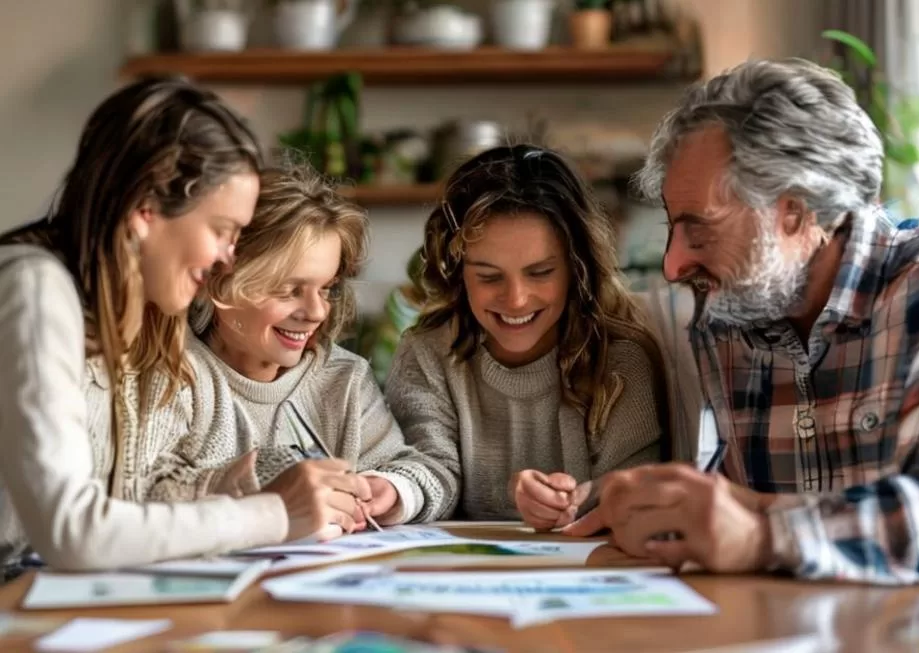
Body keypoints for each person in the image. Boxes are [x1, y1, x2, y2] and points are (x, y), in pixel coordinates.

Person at [567, 58, 919, 584]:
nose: (673, 265)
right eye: (674, 229)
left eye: (700, 229)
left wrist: (759, 535)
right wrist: (654, 502)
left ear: (796, 212)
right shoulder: (734, 313)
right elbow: (756, 506)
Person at [0, 78, 350, 577]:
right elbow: (74, 533)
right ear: (145, 208)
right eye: (223, 230)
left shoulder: (122, 315)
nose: (229, 256)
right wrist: (277, 514)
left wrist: (228, 487)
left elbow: (119, 508)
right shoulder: (36, 289)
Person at [142, 163, 453, 529]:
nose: (316, 311)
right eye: (289, 290)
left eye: (326, 288)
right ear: (218, 280)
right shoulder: (175, 372)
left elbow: (427, 473)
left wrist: (392, 488)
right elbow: (142, 493)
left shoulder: (343, 379)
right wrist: (266, 478)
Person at [385, 144, 680, 528]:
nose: (516, 299)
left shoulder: (619, 360)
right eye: (488, 276)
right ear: (457, 272)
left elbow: (634, 484)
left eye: (540, 272)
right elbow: (428, 469)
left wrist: (573, 500)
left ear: (579, 270)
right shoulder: (425, 354)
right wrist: (394, 494)